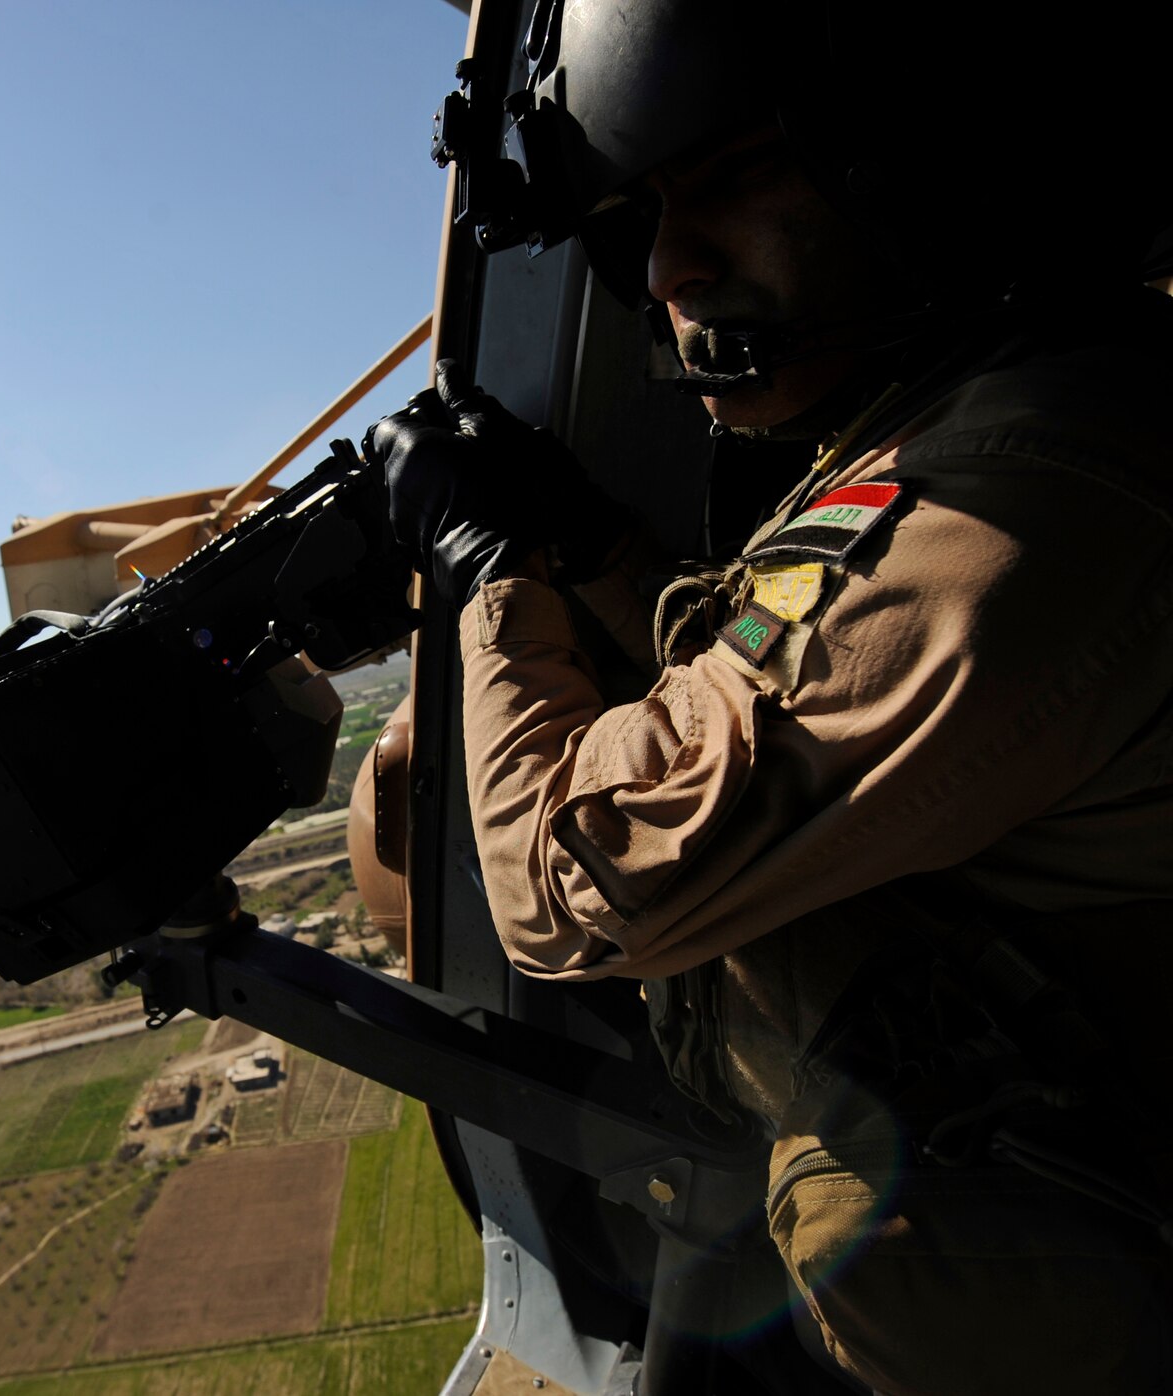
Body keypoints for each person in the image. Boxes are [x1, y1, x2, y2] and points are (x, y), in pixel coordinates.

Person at [368, 3, 1173, 1392]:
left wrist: (491, 569)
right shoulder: (990, 408)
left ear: (918, 162)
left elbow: (578, 887)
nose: (673, 264)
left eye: (733, 178)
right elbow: (767, 653)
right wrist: (595, 552)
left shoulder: (1021, 495)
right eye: (651, 210)